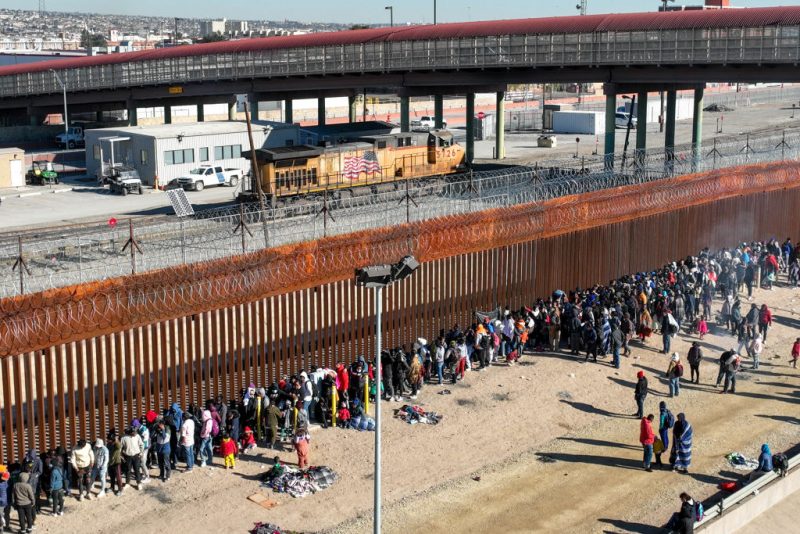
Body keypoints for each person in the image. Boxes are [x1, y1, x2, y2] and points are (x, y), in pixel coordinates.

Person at [655, 401, 674, 469]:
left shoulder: (662, 413)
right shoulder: (667, 410)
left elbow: (662, 421)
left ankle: (664, 448)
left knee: (663, 437)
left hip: (663, 428)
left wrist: (660, 428)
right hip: (666, 427)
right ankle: (666, 446)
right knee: (666, 436)